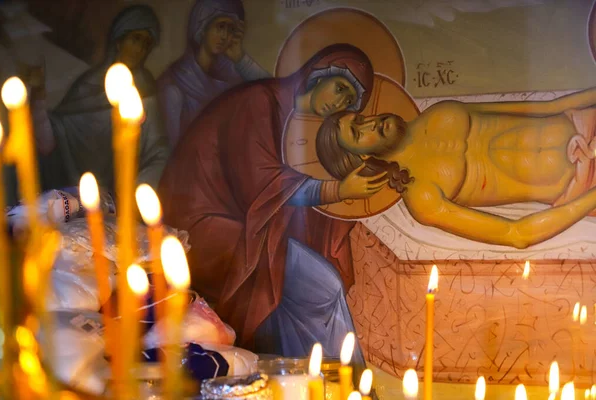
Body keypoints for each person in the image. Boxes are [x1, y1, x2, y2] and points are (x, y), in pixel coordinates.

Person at [157, 43, 386, 351]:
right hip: (199, 227)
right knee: (323, 287)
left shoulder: (294, 119)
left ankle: (308, 384)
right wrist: (337, 190)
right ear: (319, 74)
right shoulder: (259, 102)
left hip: (240, 224)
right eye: (340, 87)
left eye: (349, 100)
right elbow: (261, 183)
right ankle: (341, 386)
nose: (340, 102)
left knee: (300, 292)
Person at [315, 88, 596, 249]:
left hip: (584, 122)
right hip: (582, 183)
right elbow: (516, 234)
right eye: (357, 132)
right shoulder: (422, 196)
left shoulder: (441, 112)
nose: (370, 123)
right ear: (362, 159)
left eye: (361, 117)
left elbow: (548, 107)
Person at [22, 5, 168, 199]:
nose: (140, 49)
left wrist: (137, 192)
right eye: (136, 39)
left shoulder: (146, 91)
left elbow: (158, 150)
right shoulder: (88, 84)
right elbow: (57, 135)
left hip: (121, 202)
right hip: (78, 199)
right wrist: (38, 96)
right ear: (119, 41)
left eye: (147, 43)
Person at [157, 0, 270, 148]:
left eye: (230, 29)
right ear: (202, 28)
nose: (224, 36)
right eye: (220, 27)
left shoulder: (233, 76)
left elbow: (271, 94)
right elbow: (175, 150)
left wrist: (240, 58)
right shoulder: (174, 83)